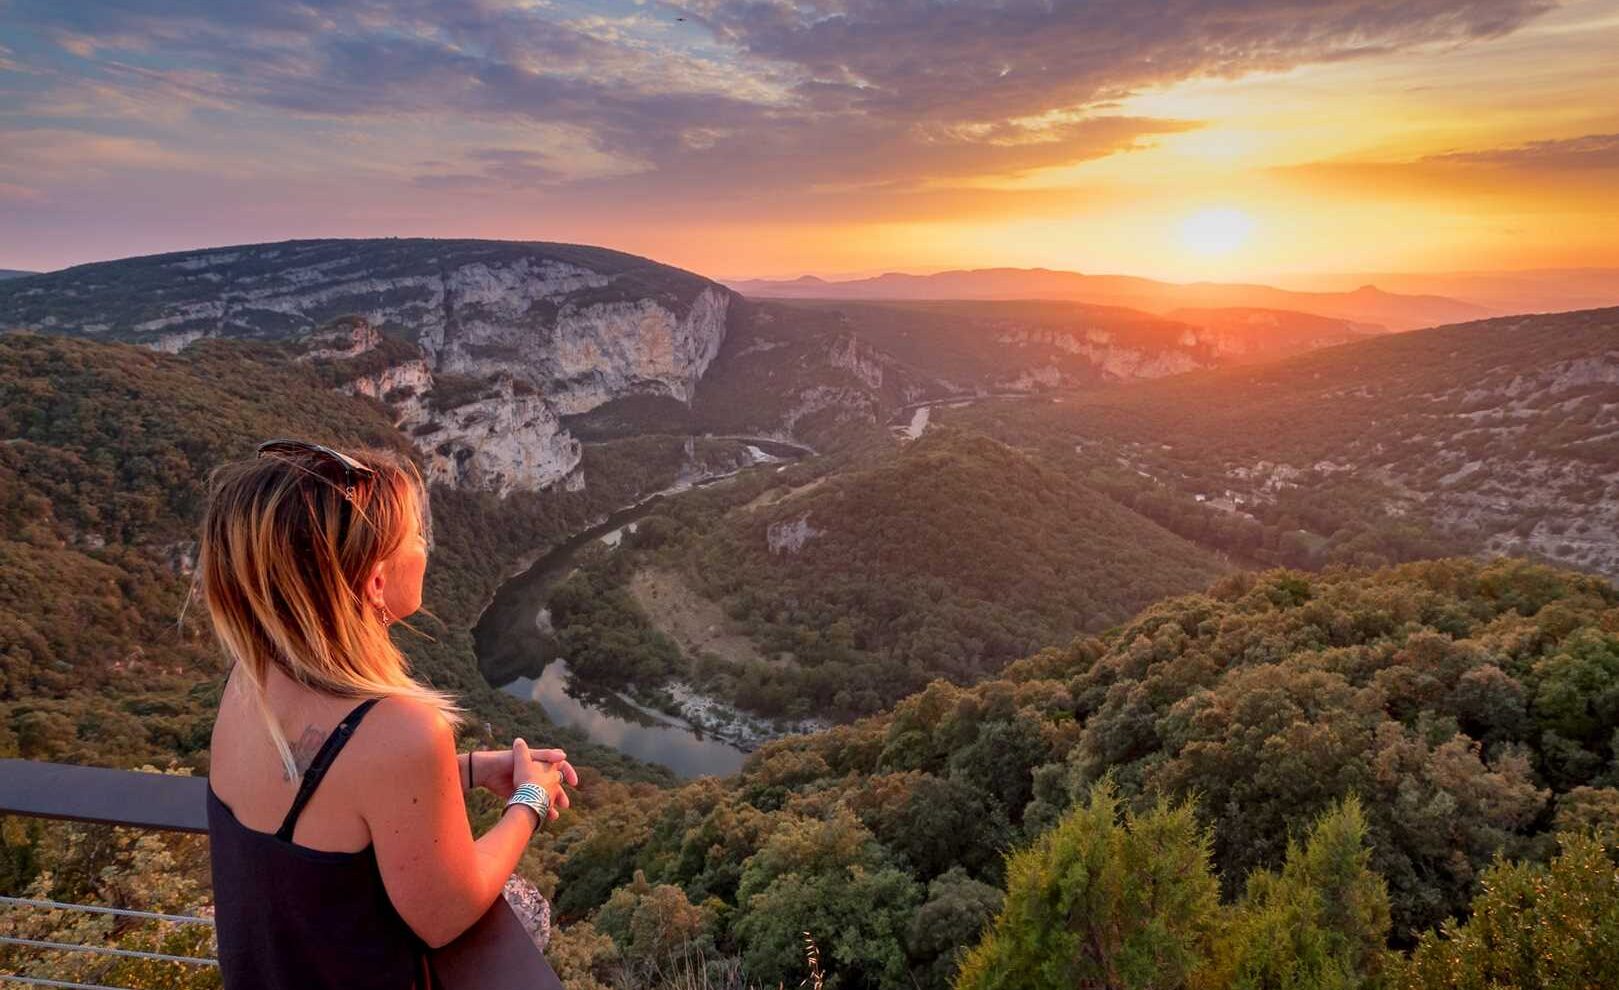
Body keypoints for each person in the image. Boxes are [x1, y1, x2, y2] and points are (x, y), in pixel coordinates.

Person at [199, 439, 576, 989]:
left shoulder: (251, 677)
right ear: (376, 581)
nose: (426, 545)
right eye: (415, 536)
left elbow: (320, 789)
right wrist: (531, 799)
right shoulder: (398, 730)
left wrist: (463, 769)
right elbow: (447, 914)